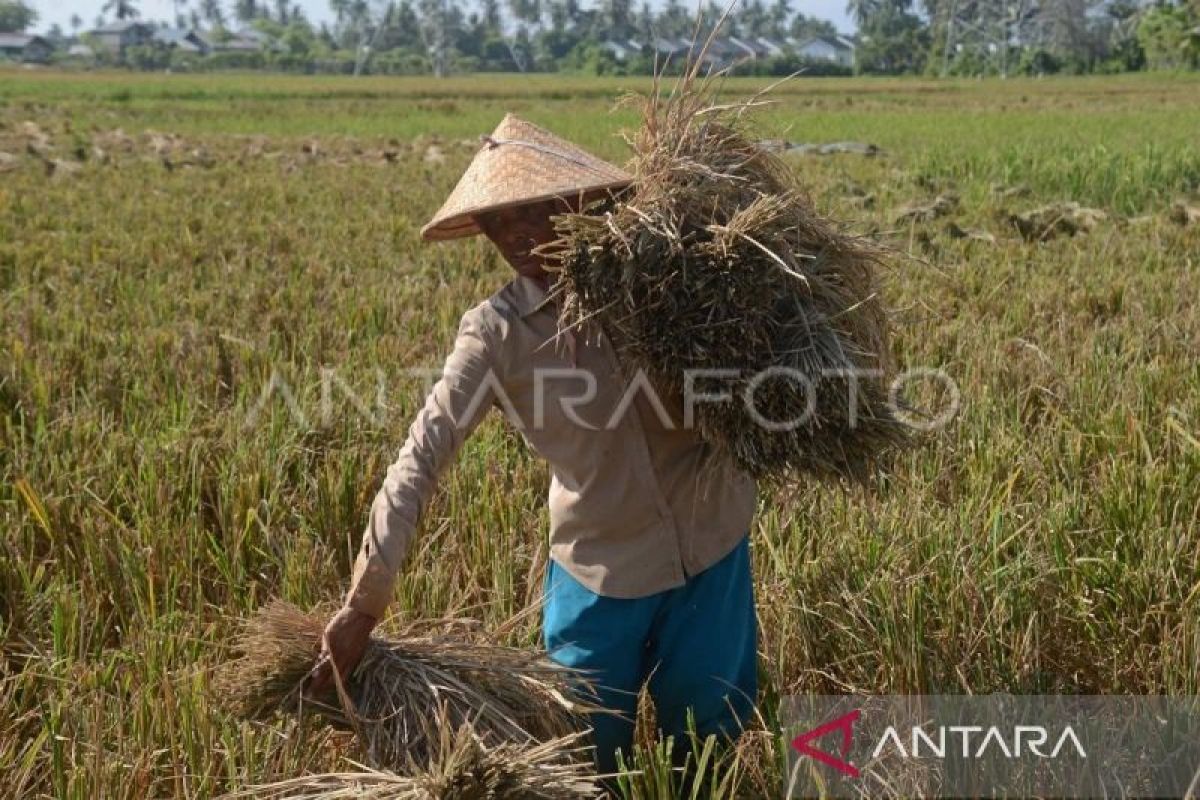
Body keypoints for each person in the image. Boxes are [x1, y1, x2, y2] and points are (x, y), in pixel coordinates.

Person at [306, 113, 759, 781]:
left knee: (709, 748)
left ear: (576, 203)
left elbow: (756, 358)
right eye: (499, 220)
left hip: (712, 550)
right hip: (600, 572)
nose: (518, 232)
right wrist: (363, 601)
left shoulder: (660, 284)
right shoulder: (495, 336)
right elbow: (420, 456)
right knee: (583, 756)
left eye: (537, 210)